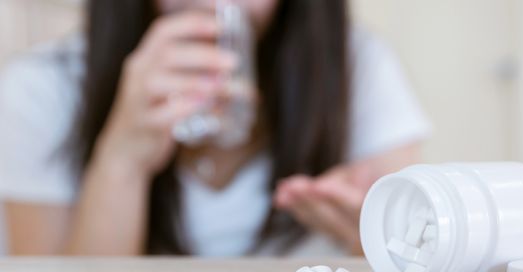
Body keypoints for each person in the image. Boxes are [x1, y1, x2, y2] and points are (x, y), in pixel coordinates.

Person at [0, 0, 430, 256]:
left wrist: (369, 235)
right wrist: (121, 159)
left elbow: (411, 253)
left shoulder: (357, 67)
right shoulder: (41, 88)